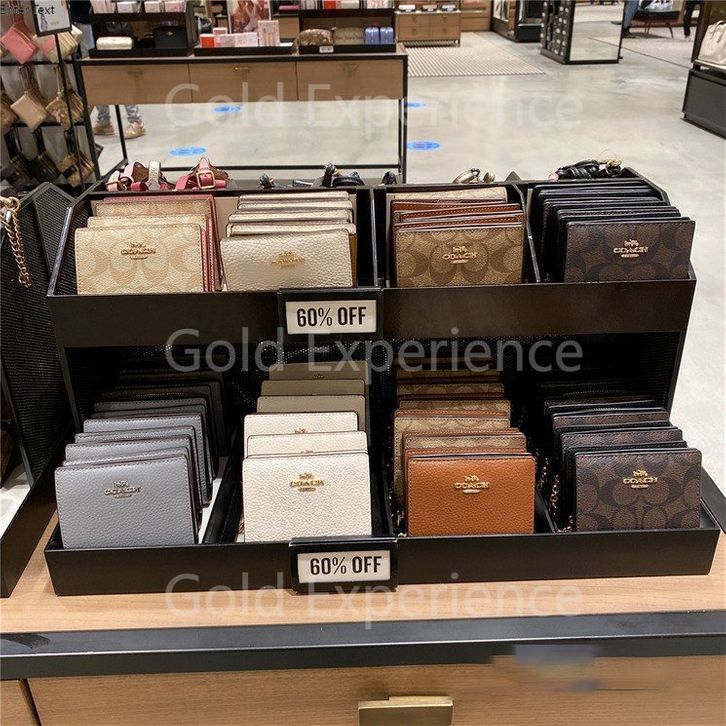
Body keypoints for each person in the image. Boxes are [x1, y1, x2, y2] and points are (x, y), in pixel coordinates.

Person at [69, 1, 146, 139]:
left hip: (96, 22)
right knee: (94, 76)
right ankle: (104, 121)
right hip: (83, 22)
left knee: (113, 73)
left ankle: (135, 120)